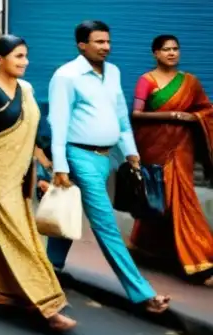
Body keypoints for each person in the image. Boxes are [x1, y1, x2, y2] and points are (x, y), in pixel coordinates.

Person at [45, 20, 170, 313]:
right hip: (78, 156)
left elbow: (121, 116)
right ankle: (143, 293)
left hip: (107, 157)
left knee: (68, 212)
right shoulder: (66, 76)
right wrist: (60, 165)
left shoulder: (112, 72)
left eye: (108, 41)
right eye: (99, 42)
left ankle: (51, 267)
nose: (106, 47)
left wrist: (131, 152)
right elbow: (58, 123)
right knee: (106, 225)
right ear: (82, 45)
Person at [0, 36, 75, 331]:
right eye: (18, 57)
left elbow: (32, 133)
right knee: (24, 239)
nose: (25, 62)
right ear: (0, 59)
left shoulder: (26, 89)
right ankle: (47, 306)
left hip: (20, 174)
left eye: (25, 57)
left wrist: (48, 166)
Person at [130, 35, 213, 286]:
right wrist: (173, 114)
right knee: (159, 200)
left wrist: (193, 118)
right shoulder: (147, 81)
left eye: (175, 49)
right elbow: (137, 113)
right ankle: (153, 249)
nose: (172, 53)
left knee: (182, 200)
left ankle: (200, 260)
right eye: (166, 49)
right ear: (155, 53)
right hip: (154, 147)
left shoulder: (190, 82)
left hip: (181, 148)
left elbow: (206, 110)